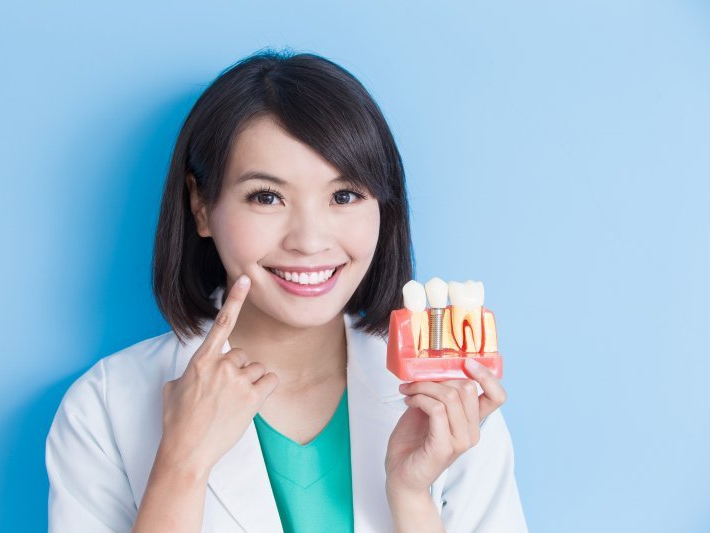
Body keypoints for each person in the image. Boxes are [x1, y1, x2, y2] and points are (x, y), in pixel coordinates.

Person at [45, 49, 528, 533]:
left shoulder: (451, 407)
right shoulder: (105, 407)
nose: (309, 240)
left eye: (344, 196)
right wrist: (180, 465)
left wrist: (412, 499)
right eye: (267, 197)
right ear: (200, 205)